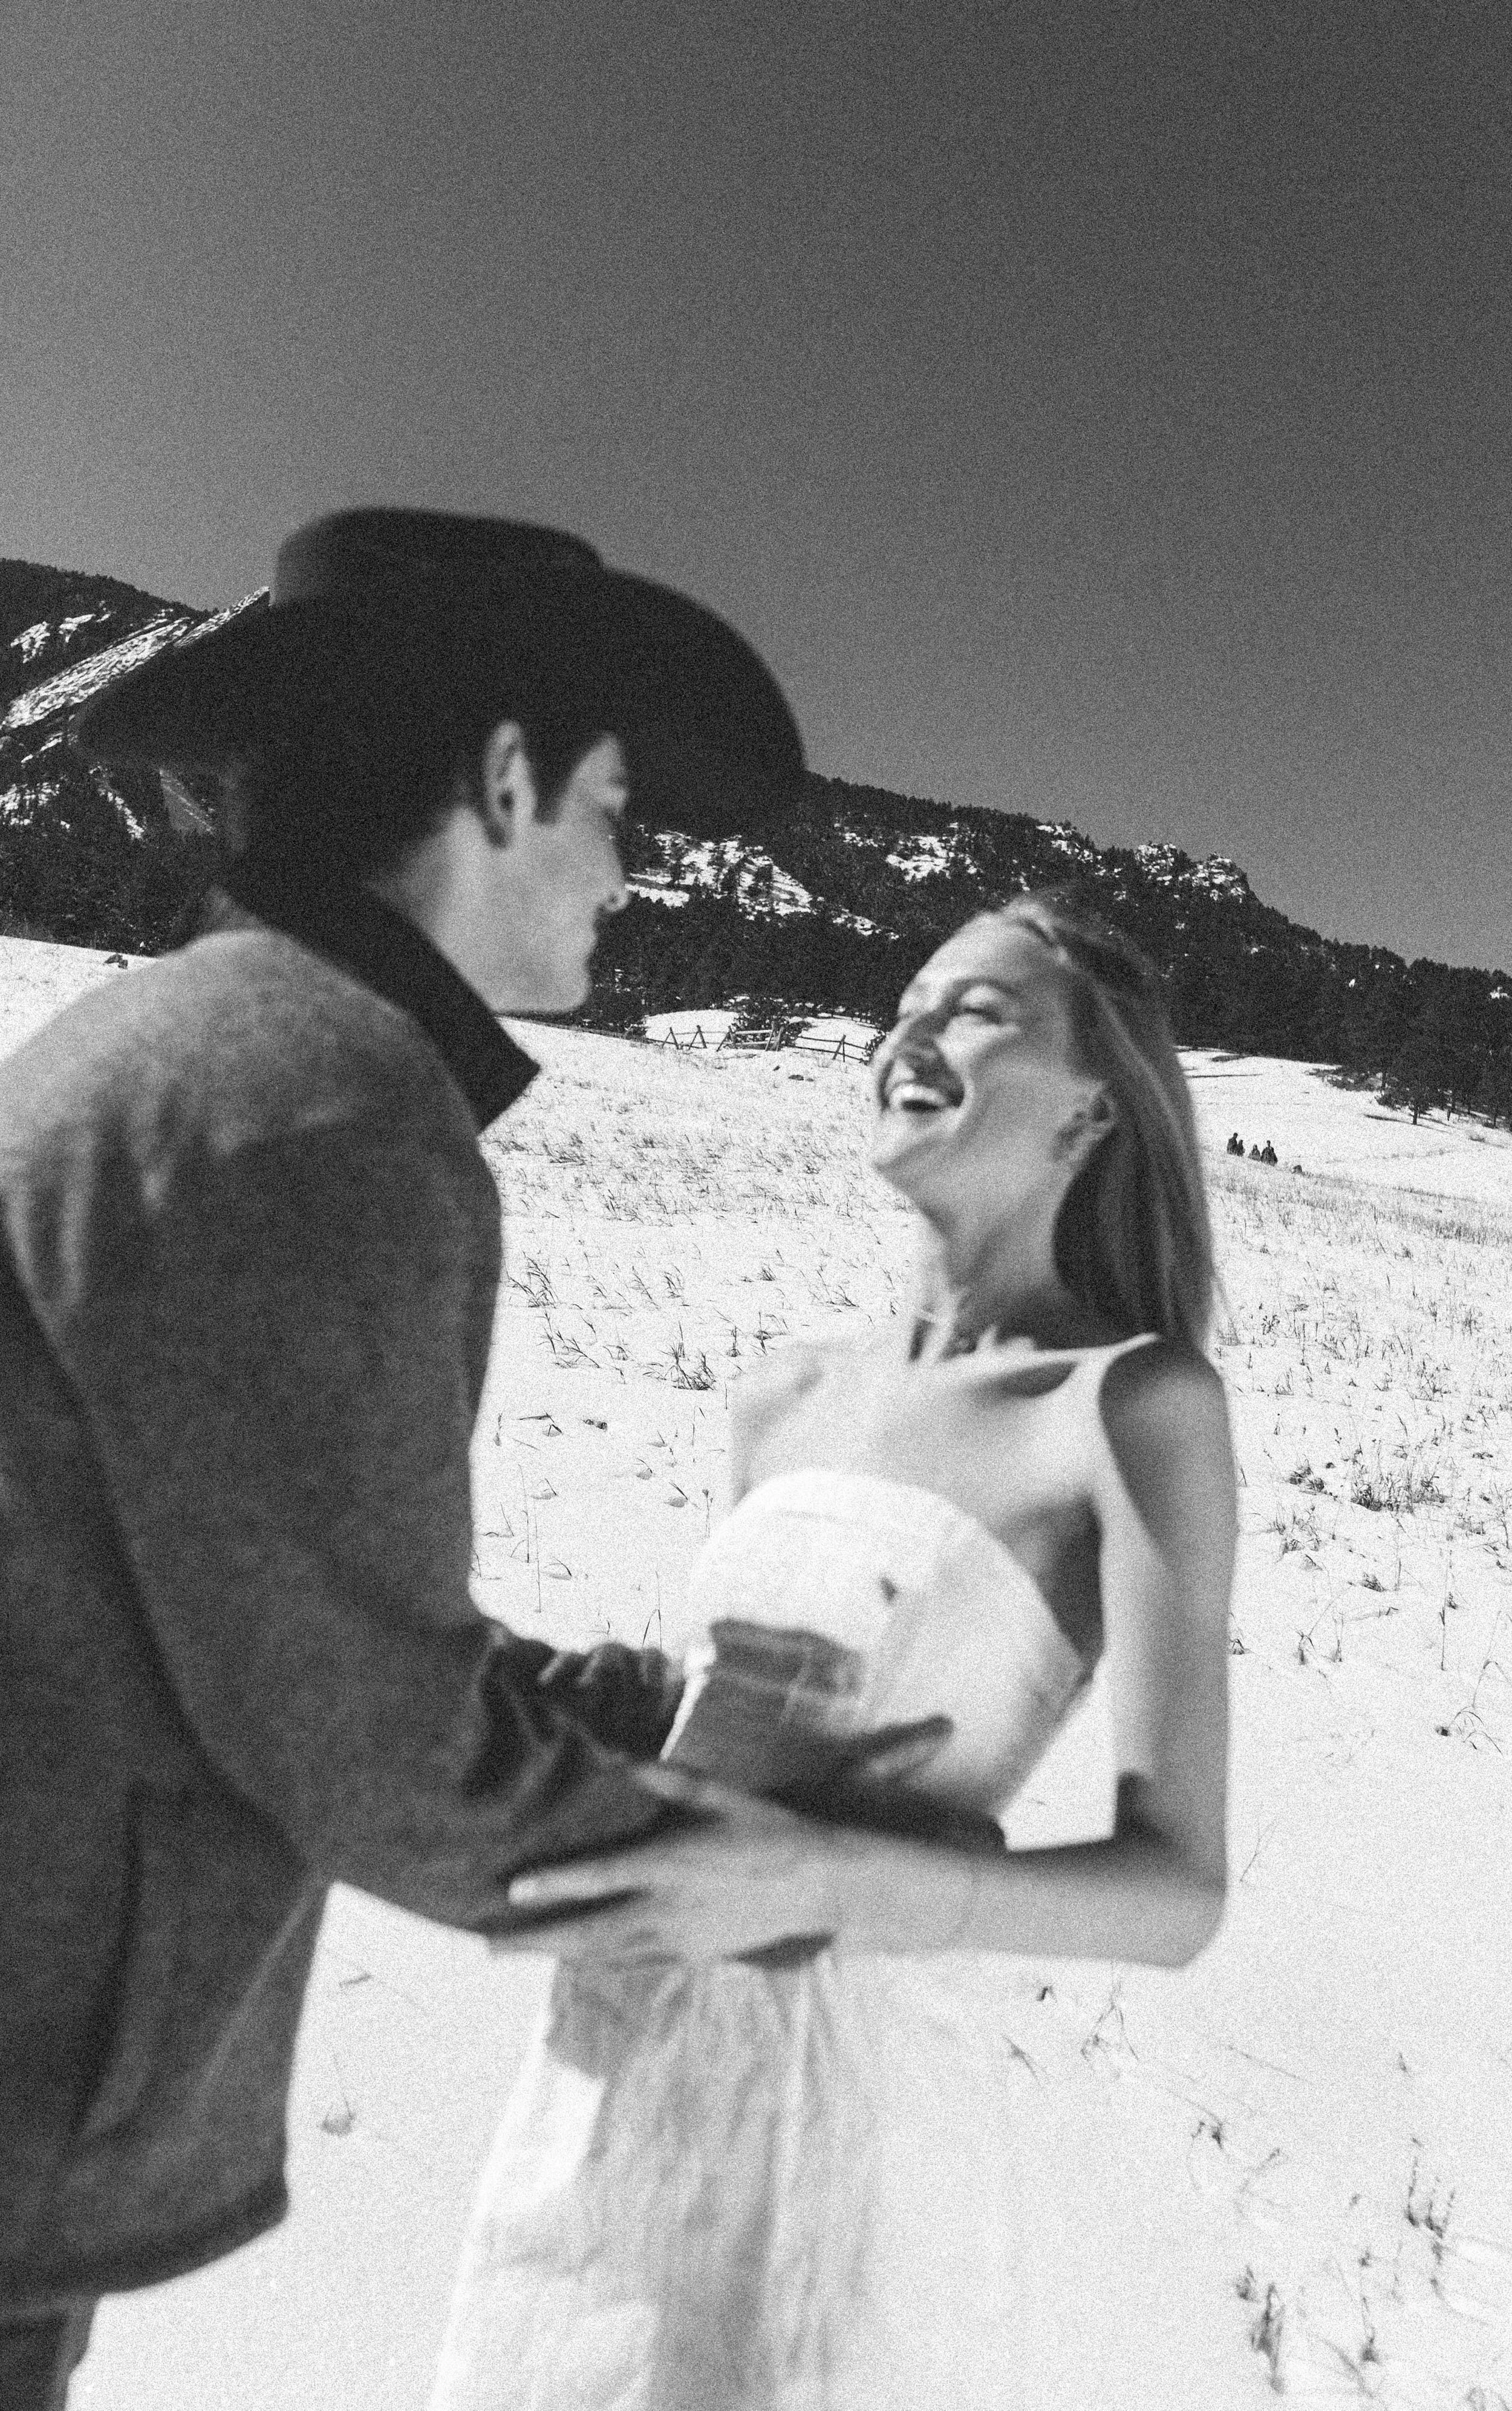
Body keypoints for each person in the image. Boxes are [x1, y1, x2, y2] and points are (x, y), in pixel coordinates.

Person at [0, 509, 934, 2407]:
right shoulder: (315, 1105)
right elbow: (360, 1735)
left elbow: (261, 1597)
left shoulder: (229, 1050)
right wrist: (759, 1861)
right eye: (608, 800)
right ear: (503, 784)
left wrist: (636, 1707)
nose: (627, 862)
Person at [431, 891, 1236, 2411]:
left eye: (981, 1007)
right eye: (908, 995)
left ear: (1096, 1105)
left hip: (842, 2106)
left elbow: (1174, 1894)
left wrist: (816, 1881)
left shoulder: (1128, 1406)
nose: (911, 1028)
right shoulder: (779, 1394)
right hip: (614, 2061)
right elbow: (716, 1730)